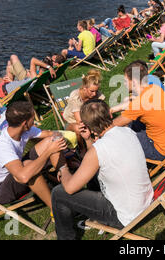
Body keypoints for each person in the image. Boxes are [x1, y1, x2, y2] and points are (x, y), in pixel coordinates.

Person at [51, 100, 154, 240]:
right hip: (145, 201)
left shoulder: (98, 150)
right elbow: (96, 157)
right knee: (89, 173)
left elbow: (69, 188)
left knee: (59, 193)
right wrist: (88, 139)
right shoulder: (128, 131)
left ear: (87, 125)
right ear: (110, 115)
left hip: (125, 215)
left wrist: (62, 167)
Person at [0, 101, 67, 208]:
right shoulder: (2, 146)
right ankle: (55, 209)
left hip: (15, 169)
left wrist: (60, 136)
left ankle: (66, 179)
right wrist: (49, 151)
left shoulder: (21, 130)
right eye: (33, 119)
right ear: (25, 123)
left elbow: (50, 134)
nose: (34, 121)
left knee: (52, 140)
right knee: (27, 166)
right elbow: (23, 177)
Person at [112, 61, 165, 161]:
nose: (124, 84)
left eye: (126, 81)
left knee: (121, 136)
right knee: (132, 123)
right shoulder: (154, 88)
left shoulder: (140, 103)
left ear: (134, 82)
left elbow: (113, 125)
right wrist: (113, 109)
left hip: (160, 150)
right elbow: (133, 103)